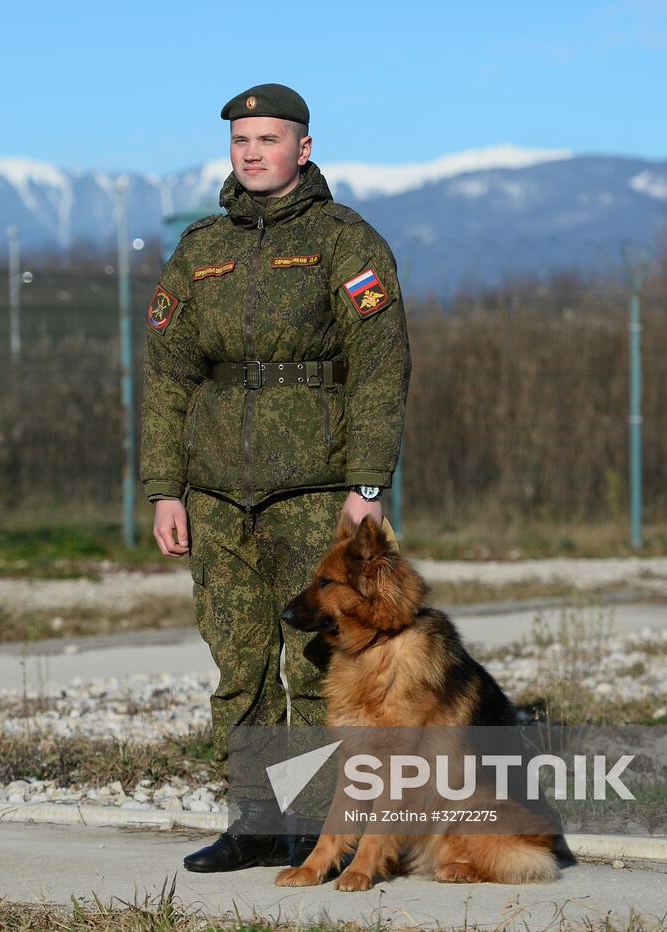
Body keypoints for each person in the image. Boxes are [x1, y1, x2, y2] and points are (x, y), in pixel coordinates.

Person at [140, 82, 412, 872]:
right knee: (240, 663)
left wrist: (366, 484)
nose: (252, 153)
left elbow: (379, 365)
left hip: (315, 492)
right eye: (240, 141)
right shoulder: (199, 249)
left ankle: (328, 828)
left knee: (318, 661)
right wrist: (165, 488)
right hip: (217, 494)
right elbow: (167, 374)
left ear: (304, 147)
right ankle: (256, 823)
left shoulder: (343, 241)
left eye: (268, 139)